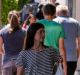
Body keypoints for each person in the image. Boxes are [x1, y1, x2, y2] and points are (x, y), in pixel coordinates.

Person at [37, 4, 67, 75]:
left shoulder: (37, 24)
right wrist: (65, 66)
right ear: (54, 13)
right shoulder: (59, 27)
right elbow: (61, 48)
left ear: (43, 12)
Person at [53, 5, 80, 75]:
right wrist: (77, 54)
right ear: (67, 12)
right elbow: (79, 42)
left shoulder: (54, 22)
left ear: (57, 13)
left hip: (58, 57)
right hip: (72, 57)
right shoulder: (76, 22)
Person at [0, 10, 25, 75]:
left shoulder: (2, 32)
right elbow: (25, 48)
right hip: (20, 63)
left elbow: (0, 49)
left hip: (7, 62)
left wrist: (5, 52)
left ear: (8, 19)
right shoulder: (24, 32)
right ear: (18, 18)